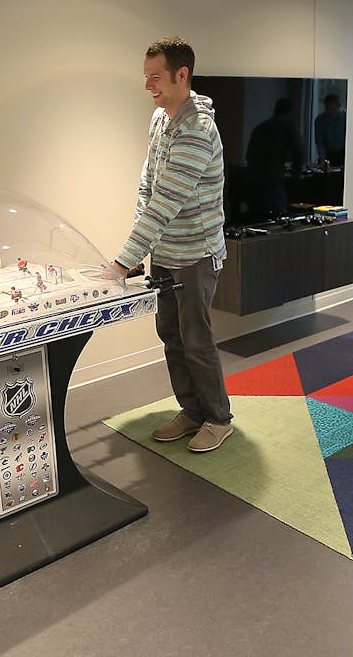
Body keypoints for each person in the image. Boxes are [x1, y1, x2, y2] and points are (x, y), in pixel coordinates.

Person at [109, 36, 233, 452]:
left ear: (182, 74)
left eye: (155, 77)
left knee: (196, 339)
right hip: (165, 251)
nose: (148, 86)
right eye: (146, 77)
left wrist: (123, 263)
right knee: (171, 333)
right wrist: (144, 247)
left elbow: (165, 203)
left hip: (196, 254)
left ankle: (218, 418)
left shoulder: (198, 131)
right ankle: (192, 410)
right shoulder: (160, 120)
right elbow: (148, 185)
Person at [245, 97, 303, 217]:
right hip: (274, 179)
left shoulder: (260, 127)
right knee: (278, 216)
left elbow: (248, 155)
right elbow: (298, 152)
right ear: (290, 112)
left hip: (254, 179)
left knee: (257, 217)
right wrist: (296, 174)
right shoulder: (289, 127)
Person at [314, 93, 346, 166]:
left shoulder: (346, 117)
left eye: (334, 110)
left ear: (339, 106)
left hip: (344, 152)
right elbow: (319, 142)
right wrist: (322, 158)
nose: (331, 113)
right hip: (328, 153)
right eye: (329, 110)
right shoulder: (320, 120)